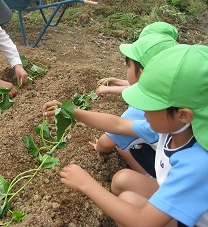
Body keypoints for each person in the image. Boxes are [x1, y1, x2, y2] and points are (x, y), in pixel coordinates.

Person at [53, 44, 208, 226]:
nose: (143, 112)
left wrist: (86, 183)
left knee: (129, 208)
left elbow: (142, 222)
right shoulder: (175, 128)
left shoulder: (197, 163)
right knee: (122, 181)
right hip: (185, 205)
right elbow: (117, 124)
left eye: (150, 106)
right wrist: (73, 112)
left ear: (183, 114)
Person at [91, 22, 179, 177]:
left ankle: (150, 179)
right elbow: (138, 85)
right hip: (174, 154)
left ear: (143, 71)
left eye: (128, 65)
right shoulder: (173, 88)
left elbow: (108, 140)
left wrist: (98, 146)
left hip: (169, 171)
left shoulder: (147, 111)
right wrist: (114, 85)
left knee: (122, 146)